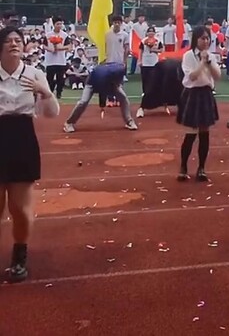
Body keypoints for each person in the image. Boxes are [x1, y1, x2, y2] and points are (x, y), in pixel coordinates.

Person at [0, 26, 60, 282]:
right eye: (9, 40)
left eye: (18, 40)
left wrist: (44, 92)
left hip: (22, 138)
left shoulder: (35, 74)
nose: (14, 44)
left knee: (20, 208)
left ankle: (19, 256)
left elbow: (51, 113)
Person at [176, 26, 221, 182]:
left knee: (204, 133)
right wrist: (202, 61)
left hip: (206, 94)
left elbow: (218, 76)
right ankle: (183, 167)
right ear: (196, 39)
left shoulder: (212, 56)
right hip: (192, 94)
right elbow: (193, 76)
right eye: (202, 38)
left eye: (208, 38)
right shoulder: (188, 56)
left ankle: (201, 168)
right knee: (190, 133)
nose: (206, 41)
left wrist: (209, 61)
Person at [63, 63, 139, 132]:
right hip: (91, 84)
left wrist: (116, 87)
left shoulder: (120, 68)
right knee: (83, 102)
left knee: (123, 98)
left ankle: (129, 121)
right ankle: (69, 123)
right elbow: (103, 92)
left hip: (110, 82)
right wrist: (102, 105)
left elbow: (118, 83)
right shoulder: (102, 76)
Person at [135, 27, 165, 118]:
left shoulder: (157, 41)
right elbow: (140, 51)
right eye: (149, 32)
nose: (151, 33)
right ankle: (144, 97)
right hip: (145, 63)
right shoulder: (143, 41)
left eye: (152, 32)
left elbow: (161, 50)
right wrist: (139, 61)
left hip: (154, 64)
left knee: (154, 82)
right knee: (145, 81)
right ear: (147, 33)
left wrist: (154, 50)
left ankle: (159, 101)